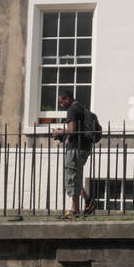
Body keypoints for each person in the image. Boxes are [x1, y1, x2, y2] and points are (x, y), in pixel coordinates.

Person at [52, 90, 95, 218]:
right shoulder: (81, 108)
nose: (60, 105)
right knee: (76, 177)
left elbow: (72, 130)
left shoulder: (72, 110)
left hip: (75, 148)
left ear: (67, 99)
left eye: (61, 102)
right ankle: (88, 202)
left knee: (71, 177)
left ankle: (74, 211)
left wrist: (59, 132)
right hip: (84, 148)